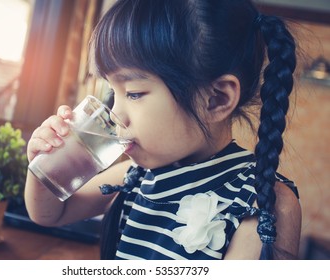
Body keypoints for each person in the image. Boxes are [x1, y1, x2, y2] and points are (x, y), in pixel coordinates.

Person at [24, 0, 301, 260]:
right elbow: (51, 214)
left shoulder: (264, 204)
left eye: (133, 93)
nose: (115, 114)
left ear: (216, 99)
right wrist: (44, 164)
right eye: (112, 92)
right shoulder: (136, 176)